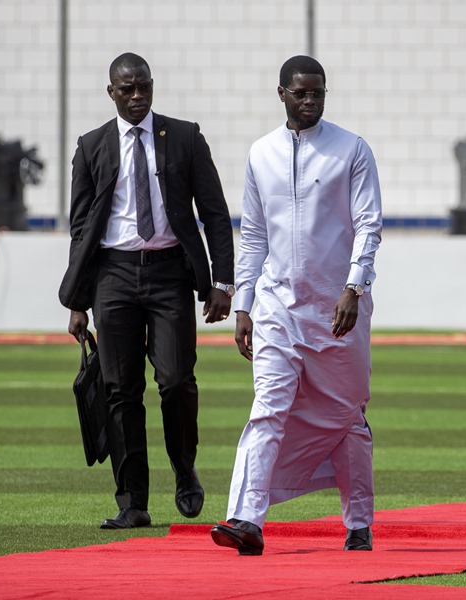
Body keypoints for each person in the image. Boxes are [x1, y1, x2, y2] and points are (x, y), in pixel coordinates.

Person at [210, 55, 382, 555]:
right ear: (281, 93)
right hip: (275, 307)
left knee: (347, 415)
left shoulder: (351, 149)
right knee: (267, 409)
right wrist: (244, 303)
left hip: (338, 311)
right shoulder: (260, 152)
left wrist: (355, 288)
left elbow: (368, 224)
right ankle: (246, 520)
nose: (310, 101)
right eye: (301, 93)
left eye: (318, 94)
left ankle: (359, 523)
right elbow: (256, 235)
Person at [59, 52, 235, 530]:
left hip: (170, 272)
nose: (137, 97)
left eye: (144, 87)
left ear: (152, 87)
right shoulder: (91, 146)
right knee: (120, 390)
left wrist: (222, 282)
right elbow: (81, 230)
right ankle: (132, 501)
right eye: (127, 89)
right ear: (111, 92)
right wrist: (78, 300)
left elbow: (215, 214)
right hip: (112, 276)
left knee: (177, 380)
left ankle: (184, 469)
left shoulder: (184, 137)